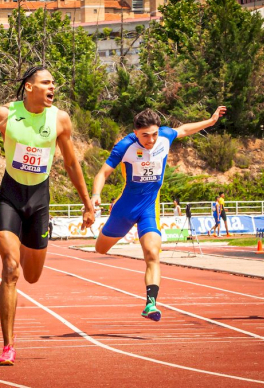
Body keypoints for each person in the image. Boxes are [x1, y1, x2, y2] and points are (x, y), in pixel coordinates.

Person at [0, 66, 94, 365]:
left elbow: (71, 164)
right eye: (45, 82)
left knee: (32, 275)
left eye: (54, 83)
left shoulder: (59, 120)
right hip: (10, 198)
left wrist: (87, 203)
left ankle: (36, 245)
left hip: (39, 202)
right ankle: (8, 345)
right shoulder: (4, 115)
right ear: (29, 87)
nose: (52, 87)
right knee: (11, 268)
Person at [91, 106, 226, 322]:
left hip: (148, 209)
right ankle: (108, 231)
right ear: (135, 132)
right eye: (145, 135)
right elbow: (102, 172)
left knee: (153, 253)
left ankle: (150, 303)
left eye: (154, 134)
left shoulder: (164, 136)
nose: (151, 140)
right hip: (124, 209)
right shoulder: (124, 146)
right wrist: (95, 195)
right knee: (100, 249)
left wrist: (210, 122)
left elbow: (184, 129)